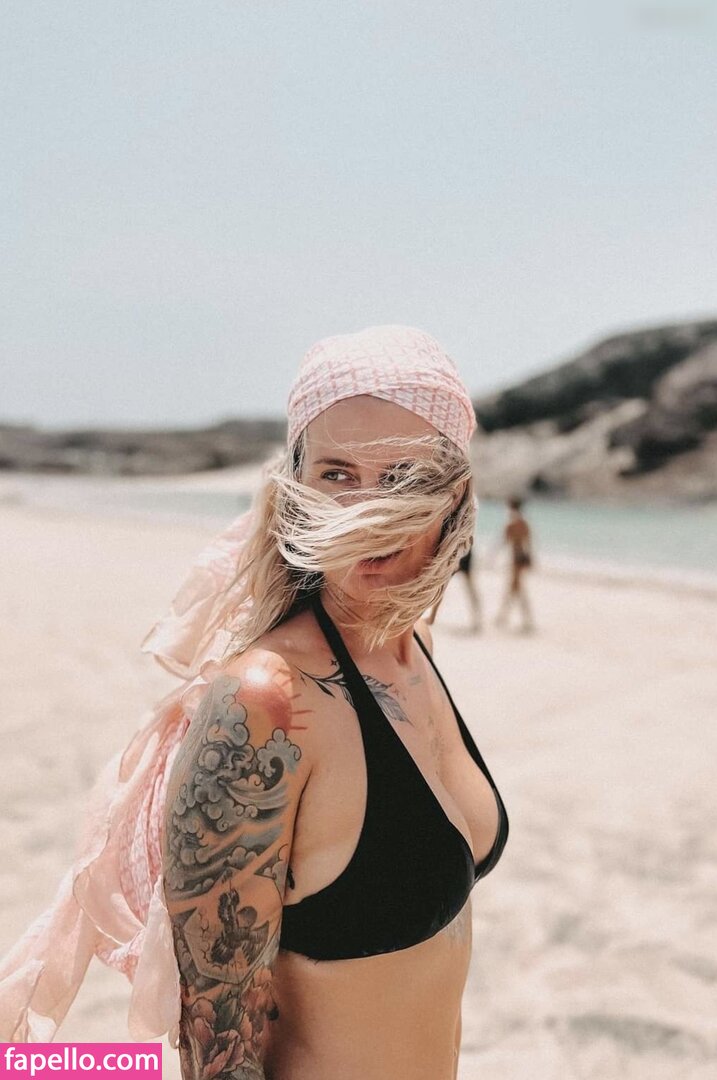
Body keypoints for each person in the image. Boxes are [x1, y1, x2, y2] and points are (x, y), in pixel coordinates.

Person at [0, 326, 509, 1080]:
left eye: (404, 476)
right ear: (296, 484)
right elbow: (216, 1051)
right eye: (337, 474)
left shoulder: (413, 647)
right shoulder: (264, 704)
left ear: (455, 492)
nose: (367, 511)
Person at [494, 497, 536, 633]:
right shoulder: (524, 523)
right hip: (522, 558)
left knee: (516, 588)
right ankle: (505, 616)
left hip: (516, 559)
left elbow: (503, 542)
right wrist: (531, 559)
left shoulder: (511, 525)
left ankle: (509, 617)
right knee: (515, 588)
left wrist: (492, 556)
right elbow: (529, 542)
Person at [425, 540, 482, 632]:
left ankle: (432, 618)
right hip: (461, 549)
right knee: (445, 587)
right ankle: (432, 617)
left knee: (443, 586)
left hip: (459, 550)